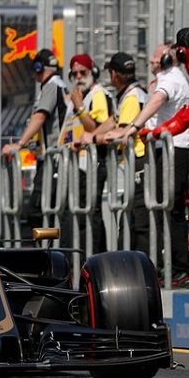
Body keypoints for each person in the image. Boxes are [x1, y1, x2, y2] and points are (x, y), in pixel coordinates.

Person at [106, 43, 189, 286]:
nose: (151, 62)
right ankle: (173, 266)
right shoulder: (169, 78)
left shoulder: (172, 79)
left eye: (155, 58)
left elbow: (157, 102)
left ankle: (180, 267)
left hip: (173, 150)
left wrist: (133, 128)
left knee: (169, 207)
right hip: (164, 150)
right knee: (163, 207)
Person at [1, 48, 68, 231]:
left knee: (39, 208)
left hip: (52, 159)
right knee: (45, 207)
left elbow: (40, 117)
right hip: (51, 157)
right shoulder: (56, 85)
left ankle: (45, 252)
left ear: (39, 67)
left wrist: (19, 144)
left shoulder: (52, 85)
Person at [64, 54, 115, 253]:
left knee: (90, 210)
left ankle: (93, 256)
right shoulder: (81, 95)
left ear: (92, 72)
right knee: (82, 210)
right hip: (80, 162)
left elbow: (96, 127)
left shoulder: (96, 94)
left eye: (82, 72)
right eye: (74, 73)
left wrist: (80, 108)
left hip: (94, 161)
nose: (78, 76)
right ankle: (83, 255)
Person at [103, 52, 149, 254]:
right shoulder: (131, 93)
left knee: (136, 219)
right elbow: (112, 122)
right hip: (136, 162)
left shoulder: (131, 97)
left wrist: (100, 138)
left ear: (115, 74)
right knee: (131, 217)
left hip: (137, 162)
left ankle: (139, 265)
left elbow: (122, 131)